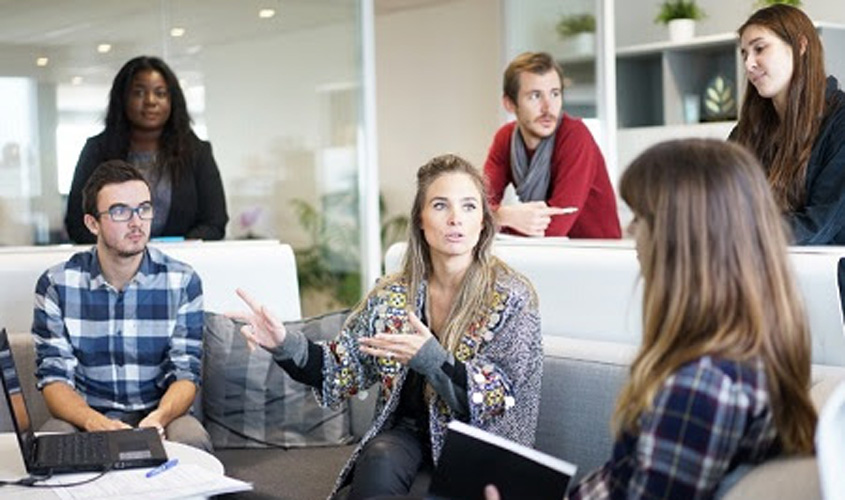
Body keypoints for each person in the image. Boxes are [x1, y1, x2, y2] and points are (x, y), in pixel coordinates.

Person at [231, 154, 543, 499]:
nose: (456, 218)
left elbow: (499, 397)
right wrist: (282, 343)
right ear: (421, 221)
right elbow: (340, 366)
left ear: (483, 221)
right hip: (407, 433)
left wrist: (431, 358)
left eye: (469, 206)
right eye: (441, 205)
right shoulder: (394, 293)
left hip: (478, 440)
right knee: (378, 457)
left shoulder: (512, 297)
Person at [562, 139, 817, 499]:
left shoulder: (701, 386)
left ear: (679, 238)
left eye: (640, 217)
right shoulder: (748, 353)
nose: (631, 231)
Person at [33, 160, 211, 451]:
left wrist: (159, 417)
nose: (136, 221)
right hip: (86, 418)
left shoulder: (183, 281)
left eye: (144, 208)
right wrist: (95, 422)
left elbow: (185, 372)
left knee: (192, 438)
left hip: (160, 416)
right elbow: (54, 379)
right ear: (92, 223)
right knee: (51, 439)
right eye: (119, 211)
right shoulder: (56, 285)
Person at [65, 55, 228, 244]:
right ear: (122, 98)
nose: (151, 101)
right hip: (114, 266)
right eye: (139, 93)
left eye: (160, 93)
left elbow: (215, 223)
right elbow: (77, 224)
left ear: (172, 100)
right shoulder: (97, 151)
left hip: (180, 265)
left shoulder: (197, 152)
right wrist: (124, 249)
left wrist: (176, 250)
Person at [731, 4, 845, 245]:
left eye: (759, 48)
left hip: (828, 278)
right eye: (744, 54)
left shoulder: (840, 121)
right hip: (762, 271)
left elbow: (818, 224)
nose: (749, 64)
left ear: (800, 46)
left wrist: (739, 235)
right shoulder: (746, 131)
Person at [483, 51, 621, 238]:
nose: (548, 107)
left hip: (595, 254)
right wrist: (503, 215)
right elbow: (476, 207)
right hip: (546, 253)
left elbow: (555, 227)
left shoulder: (575, 135)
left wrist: (498, 218)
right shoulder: (505, 138)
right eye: (535, 96)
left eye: (555, 94)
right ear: (509, 104)